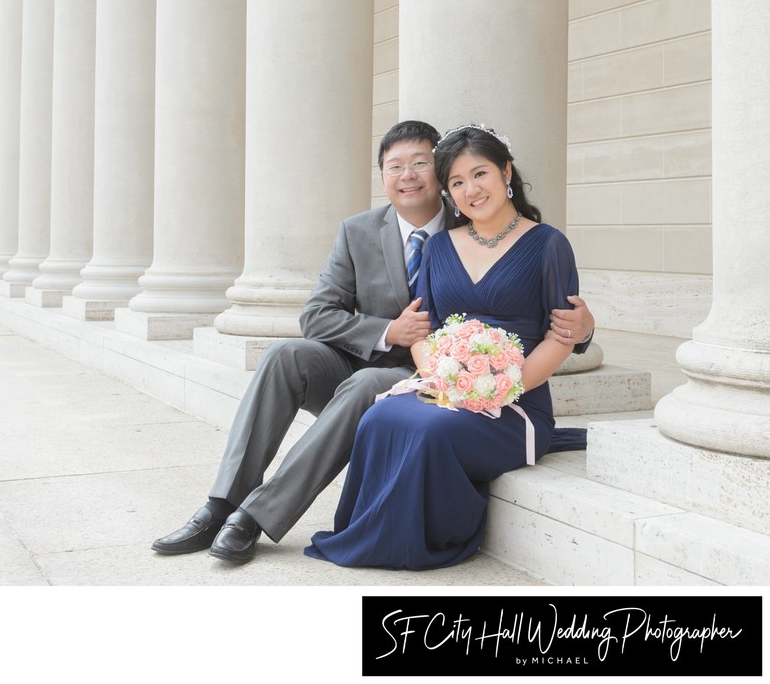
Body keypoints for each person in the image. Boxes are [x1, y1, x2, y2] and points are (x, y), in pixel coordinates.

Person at [152, 120, 594, 565]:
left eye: (420, 163)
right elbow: (316, 316)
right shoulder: (363, 232)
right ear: (383, 175)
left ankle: (255, 517)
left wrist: (582, 329)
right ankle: (222, 503)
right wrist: (387, 332)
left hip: (430, 379)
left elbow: (551, 313)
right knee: (285, 355)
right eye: (394, 166)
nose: (408, 175)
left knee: (370, 389)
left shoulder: (494, 227)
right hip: (406, 367)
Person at [304, 123, 581, 570]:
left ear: (506, 171)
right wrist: (443, 379)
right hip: (445, 386)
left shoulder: (548, 245)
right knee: (379, 416)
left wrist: (496, 388)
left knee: (431, 431)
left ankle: (422, 538)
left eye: (480, 174)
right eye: (456, 182)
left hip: (516, 401)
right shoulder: (439, 247)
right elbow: (422, 331)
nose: (470, 189)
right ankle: (368, 533)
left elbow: (561, 337)